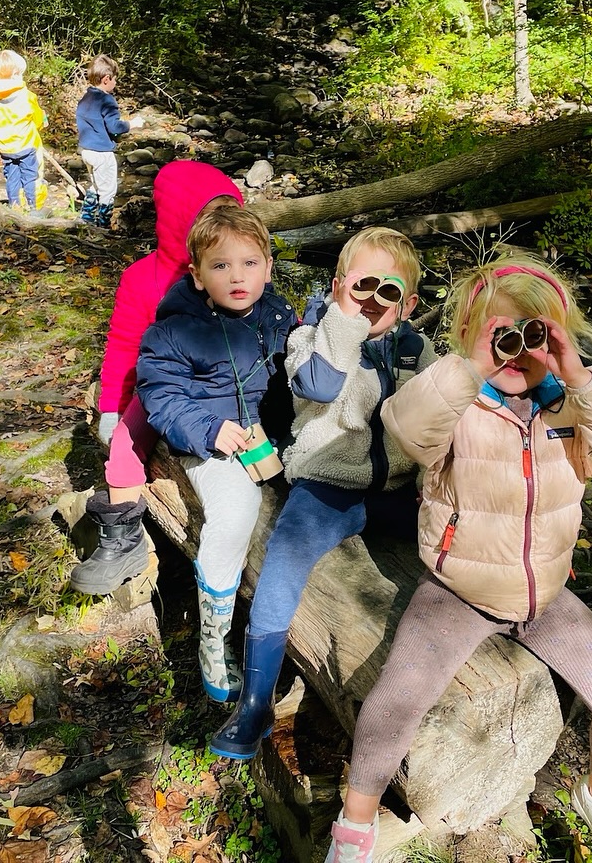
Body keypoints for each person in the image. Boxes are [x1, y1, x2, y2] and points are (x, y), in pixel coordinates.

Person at [323, 250, 592, 863]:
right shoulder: (458, 405)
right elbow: (407, 427)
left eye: (532, 337)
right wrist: (468, 366)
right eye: (498, 338)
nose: (515, 354)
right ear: (469, 341)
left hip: (545, 595)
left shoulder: (572, 408)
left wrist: (579, 376)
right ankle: (357, 819)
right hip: (458, 591)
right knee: (395, 700)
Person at [209, 227, 436, 760]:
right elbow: (322, 386)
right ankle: (257, 700)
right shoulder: (309, 339)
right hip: (327, 484)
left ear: (410, 304)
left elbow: (440, 424)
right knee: (284, 560)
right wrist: (343, 319)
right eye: (362, 285)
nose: (373, 300)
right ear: (336, 287)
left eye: (389, 291)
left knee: (456, 535)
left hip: (398, 488)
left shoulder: (417, 351)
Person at [136, 206, 295, 703]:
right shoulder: (174, 329)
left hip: (268, 437)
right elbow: (161, 395)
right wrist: (208, 429)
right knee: (235, 514)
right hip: (209, 442)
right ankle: (216, 635)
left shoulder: (276, 313)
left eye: (250, 263)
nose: (237, 276)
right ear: (198, 275)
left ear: (268, 267)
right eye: (221, 266)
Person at [71, 162, 245, 595]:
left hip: (231, 385)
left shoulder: (231, 269)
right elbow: (124, 347)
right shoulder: (143, 280)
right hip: (163, 388)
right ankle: (123, 535)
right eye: (209, 222)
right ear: (181, 225)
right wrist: (112, 406)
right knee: (127, 447)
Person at [74, 54, 144, 228]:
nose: (116, 84)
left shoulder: (86, 97)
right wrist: (132, 124)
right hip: (102, 153)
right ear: (106, 79)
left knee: (95, 185)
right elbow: (114, 127)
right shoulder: (107, 100)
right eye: (115, 80)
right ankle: (104, 225)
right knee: (108, 190)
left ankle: (87, 218)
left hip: (87, 150)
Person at [0, 50, 48, 211]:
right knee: (31, 177)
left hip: (5, 147)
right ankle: (36, 208)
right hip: (26, 145)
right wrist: (42, 121)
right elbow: (38, 120)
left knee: (12, 177)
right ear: (15, 74)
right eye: (20, 74)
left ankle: (15, 206)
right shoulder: (26, 96)